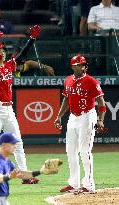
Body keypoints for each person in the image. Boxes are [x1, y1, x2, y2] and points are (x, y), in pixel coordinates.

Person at [0, 25, 41, 185]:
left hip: (8, 109)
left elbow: (22, 55)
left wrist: (32, 39)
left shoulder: (8, 66)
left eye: (4, 50)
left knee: (18, 143)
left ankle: (25, 176)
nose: (3, 52)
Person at [54, 54, 107, 193]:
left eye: (82, 64)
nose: (81, 66)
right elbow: (66, 99)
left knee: (85, 151)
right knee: (70, 150)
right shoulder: (68, 80)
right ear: (73, 66)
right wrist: (59, 116)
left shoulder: (91, 81)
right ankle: (74, 183)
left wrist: (100, 120)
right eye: (78, 64)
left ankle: (89, 185)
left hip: (87, 117)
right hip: (73, 117)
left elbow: (101, 103)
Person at [0, 132, 59, 205]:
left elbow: (22, 174)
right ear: (4, 145)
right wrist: (9, 177)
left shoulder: (6, 160)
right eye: (12, 143)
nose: (15, 146)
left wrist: (41, 172)